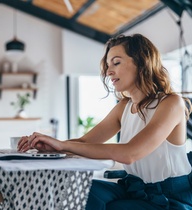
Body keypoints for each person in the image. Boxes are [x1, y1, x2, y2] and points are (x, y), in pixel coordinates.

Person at [18, 34, 192, 209]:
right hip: (133, 187)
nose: (109, 72)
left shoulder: (171, 103)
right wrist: (53, 145)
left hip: (170, 199)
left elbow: (130, 153)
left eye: (116, 63)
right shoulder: (124, 106)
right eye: (108, 65)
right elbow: (85, 142)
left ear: (142, 63)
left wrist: (63, 146)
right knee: (76, 190)